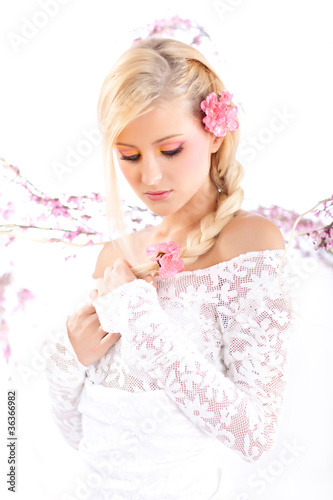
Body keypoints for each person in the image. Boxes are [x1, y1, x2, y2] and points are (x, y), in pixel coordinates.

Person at [45, 37, 295, 499]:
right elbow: (77, 435)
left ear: (214, 132)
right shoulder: (115, 255)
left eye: (172, 149)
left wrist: (136, 310)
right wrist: (69, 357)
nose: (151, 177)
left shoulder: (249, 244)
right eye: (130, 156)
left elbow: (255, 436)